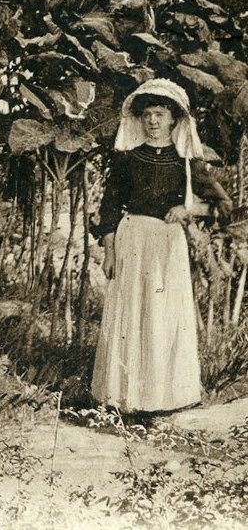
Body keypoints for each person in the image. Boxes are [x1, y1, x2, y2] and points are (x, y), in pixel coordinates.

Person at [92, 78, 232, 415]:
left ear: (173, 119)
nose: (153, 121)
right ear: (139, 120)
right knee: (132, 316)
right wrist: (109, 253)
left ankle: (161, 400)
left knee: (162, 316)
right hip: (132, 241)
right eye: (147, 115)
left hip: (167, 245)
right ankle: (124, 398)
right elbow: (109, 208)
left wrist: (188, 209)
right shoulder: (128, 159)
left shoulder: (186, 162)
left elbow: (222, 204)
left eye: (159, 114)